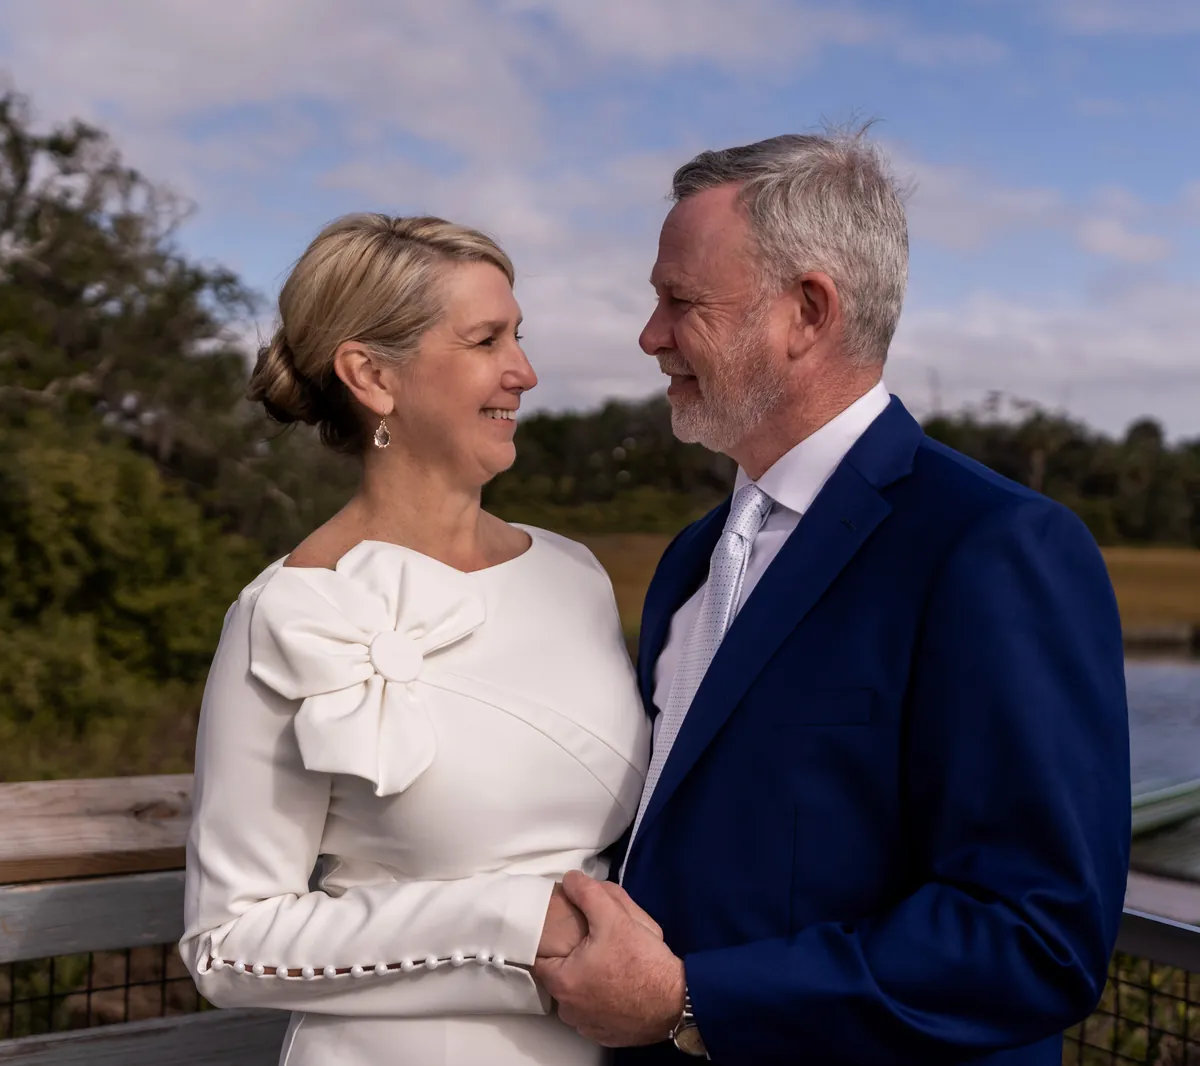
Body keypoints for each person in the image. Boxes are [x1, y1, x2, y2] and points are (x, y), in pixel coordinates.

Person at [534, 130, 1132, 1064]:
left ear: (807, 312)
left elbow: (1037, 938)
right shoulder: (693, 559)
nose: (650, 335)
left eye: (681, 301)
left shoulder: (994, 547)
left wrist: (693, 1001)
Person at [178, 213, 653, 1065]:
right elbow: (229, 943)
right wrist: (515, 927)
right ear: (371, 376)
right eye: (486, 340)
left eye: (519, 336)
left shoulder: (573, 574)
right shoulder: (285, 614)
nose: (525, 371)